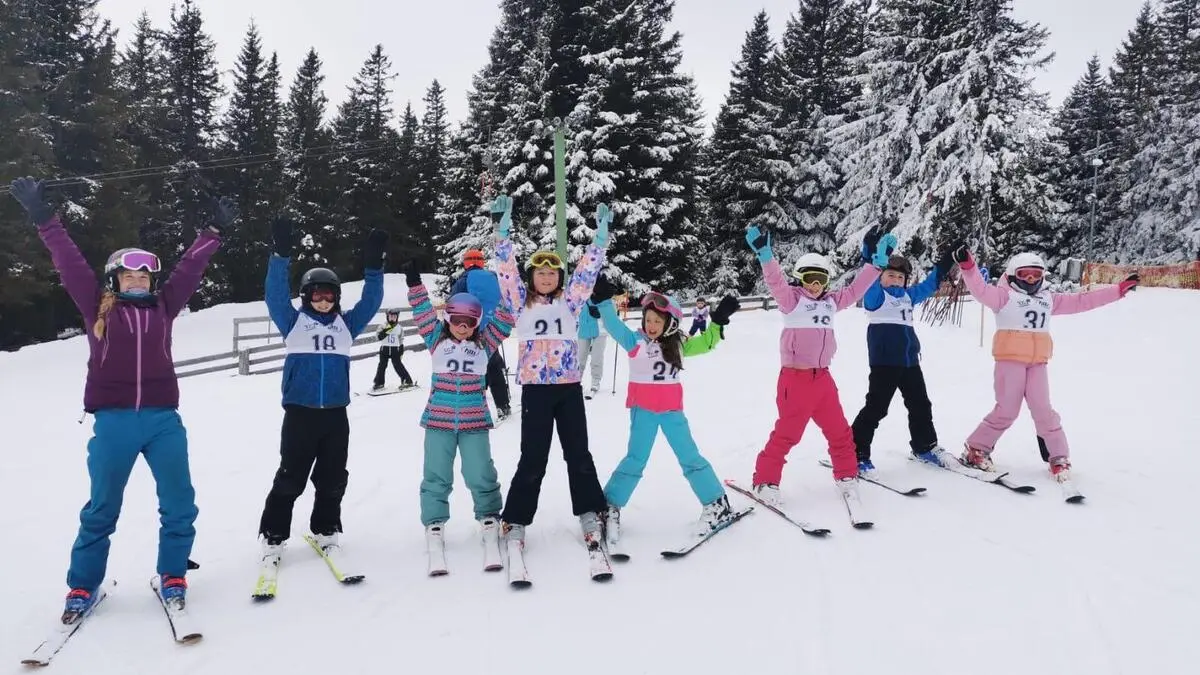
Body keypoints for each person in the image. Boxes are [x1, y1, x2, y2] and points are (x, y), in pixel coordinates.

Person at [9, 176, 235, 618]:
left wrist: (213, 233)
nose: (137, 281)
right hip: (113, 422)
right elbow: (70, 263)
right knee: (101, 508)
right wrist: (44, 219)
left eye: (144, 276)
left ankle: (173, 573)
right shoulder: (97, 307)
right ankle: (83, 586)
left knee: (179, 503)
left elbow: (190, 269)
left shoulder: (165, 306)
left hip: (162, 420)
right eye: (129, 276)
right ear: (115, 280)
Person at [257, 217, 387, 560]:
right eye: (317, 296)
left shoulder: (347, 325)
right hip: (300, 414)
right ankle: (273, 534)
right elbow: (273, 294)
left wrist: (374, 265)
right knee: (291, 476)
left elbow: (371, 301)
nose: (324, 301)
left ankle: (326, 527)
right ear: (306, 297)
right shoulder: (293, 322)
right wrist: (280, 254)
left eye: (330, 296)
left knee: (332, 477)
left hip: (334, 414)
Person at [951, 246, 1139, 480]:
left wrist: (1117, 290)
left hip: (1038, 363)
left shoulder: (1048, 299)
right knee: (1007, 410)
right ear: (1011, 276)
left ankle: (1058, 457)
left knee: (1044, 411)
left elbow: (1083, 300)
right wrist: (968, 267)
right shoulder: (1003, 296)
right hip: (1010, 362)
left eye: (1036, 275)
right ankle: (977, 449)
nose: (1030, 279)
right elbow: (979, 289)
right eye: (1024, 275)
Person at [491, 193, 612, 553]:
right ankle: (515, 518)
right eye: (540, 273)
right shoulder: (518, 303)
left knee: (579, 453)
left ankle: (590, 512)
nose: (546, 277)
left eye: (552, 272)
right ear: (532, 278)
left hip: (568, 389)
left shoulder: (570, 302)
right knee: (533, 456)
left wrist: (600, 241)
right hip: (536, 392)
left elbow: (587, 272)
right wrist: (502, 237)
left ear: (559, 277)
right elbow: (506, 270)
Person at [744, 224, 896, 508]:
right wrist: (766, 255)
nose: (815, 286)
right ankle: (765, 480)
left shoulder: (830, 302)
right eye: (810, 279)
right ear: (800, 279)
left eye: (821, 280)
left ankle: (847, 474)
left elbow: (854, 291)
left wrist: (877, 266)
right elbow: (776, 282)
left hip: (823, 380)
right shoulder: (791, 301)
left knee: (839, 431)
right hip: (795, 380)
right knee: (788, 434)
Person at [595, 285, 742, 539]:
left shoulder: (679, 344)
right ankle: (610, 504)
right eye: (648, 319)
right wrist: (604, 302)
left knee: (689, 456)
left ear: (670, 323)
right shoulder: (635, 342)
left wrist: (717, 322)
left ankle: (716, 503)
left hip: (672, 412)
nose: (651, 325)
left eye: (657, 321)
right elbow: (613, 326)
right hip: (643, 411)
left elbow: (706, 344)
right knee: (635, 459)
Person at [405, 266, 515, 554]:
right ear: (449, 319)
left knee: (480, 471)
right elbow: (423, 313)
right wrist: (415, 283)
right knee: (436, 474)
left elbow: (505, 318)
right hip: (438, 421)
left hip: (474, 422)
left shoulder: (484, 344)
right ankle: (434, 522)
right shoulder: (437, 341)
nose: (463, 326)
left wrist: (509, 282)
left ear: (477, 322)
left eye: (469, 321)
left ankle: (489, 515)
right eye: (457, 320)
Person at [851, 251, 956, 476]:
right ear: (880, 277)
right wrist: (871, 255)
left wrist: (946, 262)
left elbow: (929, 285)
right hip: (885, 364)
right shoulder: (876, 298)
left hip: (909, 362)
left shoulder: (908, 297)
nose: (896, 280)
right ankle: (855, 452)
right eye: (890, 275)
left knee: (920, 405)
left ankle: (924, 446)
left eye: (900, 277)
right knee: (877, 408)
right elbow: (867, 279)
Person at [452, 248, 512, 420]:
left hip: (470, 329)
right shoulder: (493, 277)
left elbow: (454, 302)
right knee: (494, 366)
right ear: (482, 262)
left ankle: (474, 406)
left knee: (476, 368)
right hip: (493, 328)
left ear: (465, 263)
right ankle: (503, 405)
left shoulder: (462, 280)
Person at [371, 308, 415, 392]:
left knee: (398, 365)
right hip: (384, 349)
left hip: (395, 350)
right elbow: (377, 337)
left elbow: (401, 338)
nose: (393, 318)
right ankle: (379, 383)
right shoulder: (383, 325)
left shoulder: (399, 327)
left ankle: (407, 381)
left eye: (395, 316)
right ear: (387, 317)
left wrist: (401, 347)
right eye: (391, 316)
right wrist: (386, 330)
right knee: (382, 366)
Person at [577, 297, 608, 399]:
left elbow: (610, 308)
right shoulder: (579, 293)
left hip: (599, 329)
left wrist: (601, 314)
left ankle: (595, 382)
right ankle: (576, 381)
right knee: (580, 358)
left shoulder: (601, 291)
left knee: (596, 358)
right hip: (584, 328)